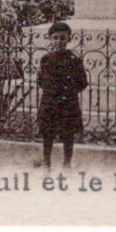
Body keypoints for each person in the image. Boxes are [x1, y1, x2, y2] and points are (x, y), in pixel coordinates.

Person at [35, 21, 88, 169]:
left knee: (68, 135)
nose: (59, 41)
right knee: (48, 134)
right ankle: (46, 161)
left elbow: (82, 82)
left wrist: (69, 92)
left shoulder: (74, 60)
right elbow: (40, 80)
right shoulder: (46, 59)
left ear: (69, 40)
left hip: (67, 103)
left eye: (63, 38)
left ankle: (67, 162)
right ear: (50, 39)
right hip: (50, 102)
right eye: (55, 38)